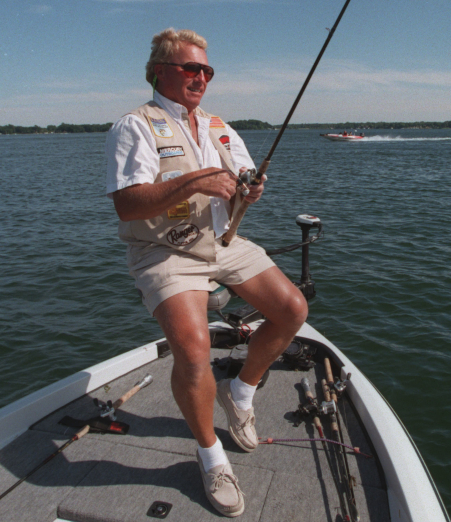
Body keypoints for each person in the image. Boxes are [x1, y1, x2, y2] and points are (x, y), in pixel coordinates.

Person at [104, 28, 308, 517]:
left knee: (291, 310)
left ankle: (240, 393)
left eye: (207, 70)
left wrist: (248, 192)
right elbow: (127, 205)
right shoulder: (135, 126)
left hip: (222, 242)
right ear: (158, 72)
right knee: (194, 353)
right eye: (190, 68)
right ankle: (211, 456)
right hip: (165, 251)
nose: (201, 77)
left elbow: (238, 183)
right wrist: (197, 179)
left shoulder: (218, 126)